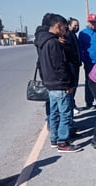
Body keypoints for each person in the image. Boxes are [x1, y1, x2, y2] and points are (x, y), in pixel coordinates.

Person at [36, 13, 82, 153]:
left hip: (50, 84)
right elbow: (60, 66)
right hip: (60, 84)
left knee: (54, 113)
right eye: (64, 28)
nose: (66, 31)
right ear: (58, 26)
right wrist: (67, 84)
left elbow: (42, 65)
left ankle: (54, 139)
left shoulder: (42, 41)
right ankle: (63, 143)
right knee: (65, 114)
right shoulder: (54, 43)